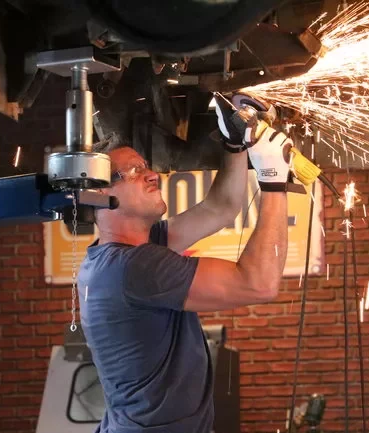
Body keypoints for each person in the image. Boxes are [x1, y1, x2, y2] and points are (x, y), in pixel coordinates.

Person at [77, 95, 293, 433]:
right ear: (100, 193)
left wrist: (234, 146)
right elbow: (259, 284)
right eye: (133, 171)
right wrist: (273, 181)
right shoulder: (135, 267)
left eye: (145, 166)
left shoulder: (123, 253)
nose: (152, 175)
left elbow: (221, 207)